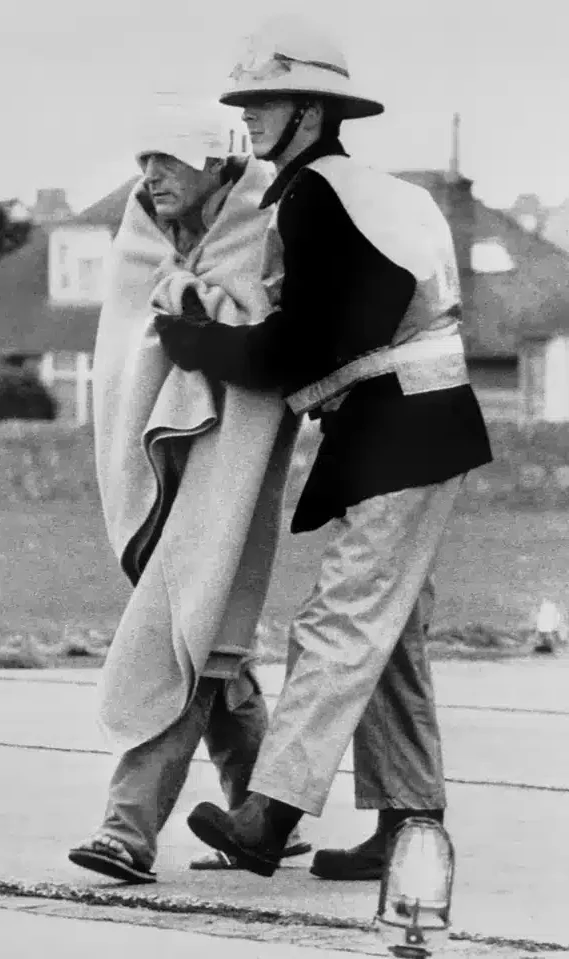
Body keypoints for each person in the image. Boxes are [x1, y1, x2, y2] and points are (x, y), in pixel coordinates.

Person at [156, 15, 493, 881]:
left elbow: (298, 351)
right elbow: (336, 335)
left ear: (312, 109)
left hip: (400, 429)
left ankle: (268, 815)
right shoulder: (365, 190)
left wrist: (196, 344)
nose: (252, 115)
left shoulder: (318, 196)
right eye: (248, 101)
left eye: (267, 100)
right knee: (388, 637)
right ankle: (407, 824)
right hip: (410, 424)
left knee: (340, 621)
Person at [68, 104, 309, 884]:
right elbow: (126, 355)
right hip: (160, 472)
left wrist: (199, 309)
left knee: (182, 632)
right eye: (143, 160)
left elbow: (265, 339)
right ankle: (263, 809)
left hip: (229, 466)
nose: (151, 175)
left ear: (216, 164)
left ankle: (126, 829)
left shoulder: (259, 229)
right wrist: (177, 305)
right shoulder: (138, 242)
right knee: (211, 636)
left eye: (167, 159)